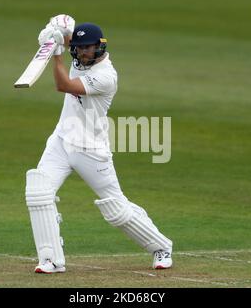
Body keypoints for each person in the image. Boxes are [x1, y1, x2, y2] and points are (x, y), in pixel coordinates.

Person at [24, 15, 173, 274]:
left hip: (91, 149)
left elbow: (64, 85)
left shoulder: (106, 76)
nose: (82, 52)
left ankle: (161, 247)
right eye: (78, 48)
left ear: (99, 47)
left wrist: (55, 52)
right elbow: (66, 30)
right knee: (38, 192)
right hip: (61, 141)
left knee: (116, 208)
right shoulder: (79, 54)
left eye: (88, 47)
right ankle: (51, 259)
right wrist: (53, 33)